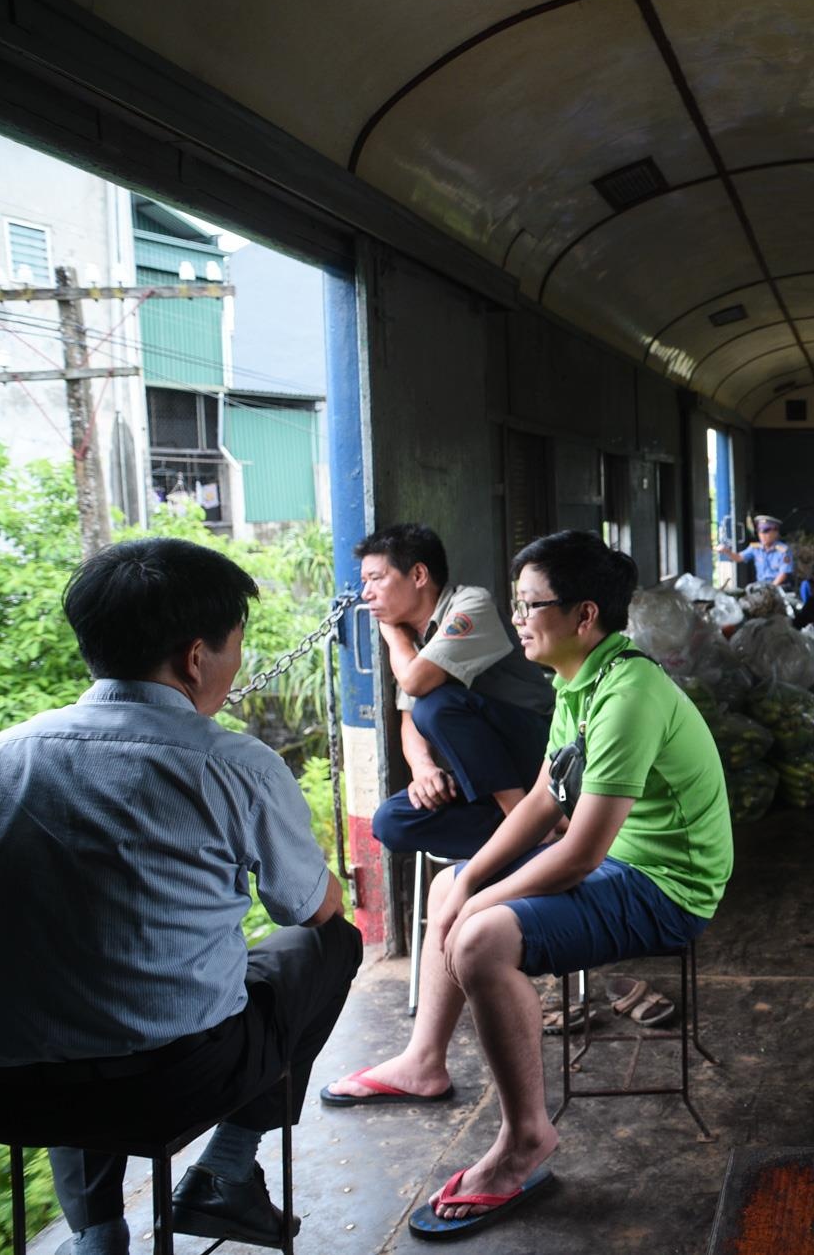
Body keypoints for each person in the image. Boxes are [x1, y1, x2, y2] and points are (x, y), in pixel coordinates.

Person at [0, 538, 361, 1255]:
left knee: (62, 996)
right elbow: (315, 910)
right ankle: (226, 1169)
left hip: (3, 1093)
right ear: (196, 658)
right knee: (331, 945)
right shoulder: (232, 764)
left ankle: (97, 1236)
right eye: (235, 648)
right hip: (174, 1085)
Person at [319, 531, 733, 1242]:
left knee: (480, 938)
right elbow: (544, 796)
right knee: (452, 886)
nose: (516, 620)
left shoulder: (628, 693)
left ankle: (524, 1142)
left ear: (584, 615)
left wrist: (481, 905)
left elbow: (577, 853)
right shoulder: (579, 679)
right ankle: (423, 1063)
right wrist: (474, 877)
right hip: (618, 863)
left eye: (530, 605)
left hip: (668, 884)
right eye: (516, 603)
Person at [360, 523, 554, 859]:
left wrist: (393, 636)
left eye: (376, 578)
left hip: (537, 750)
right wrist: (423, 769)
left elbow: (415, 685)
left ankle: (528, 827)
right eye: (365, 582)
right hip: (485, 775)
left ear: (419, 574)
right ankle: (530, 840)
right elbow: (408, 716)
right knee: (390, 822)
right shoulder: (413, 635)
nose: (366, 593)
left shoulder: (470, 604)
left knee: (435, 706)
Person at [717, 513, 795, 586]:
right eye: (759, 531)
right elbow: (739, 557)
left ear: (775, 532)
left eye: (766, 531)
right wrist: (727, 551)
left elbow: (783, 573)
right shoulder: (755, 548)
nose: (762, 535)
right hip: (761, 586)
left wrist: (771, 588)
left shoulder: (783, 550)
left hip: (779, 586)